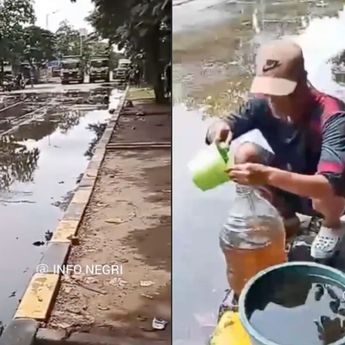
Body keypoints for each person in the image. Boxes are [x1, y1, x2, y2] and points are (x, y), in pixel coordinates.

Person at [206, 39, 345, 259]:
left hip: (327, 194)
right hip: (289, 180)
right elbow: (225, 122)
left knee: (327, 189)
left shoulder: (333, 116)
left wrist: (267, 174)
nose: (271, 102)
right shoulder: (263, 102)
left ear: (302, 84)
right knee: (246, 153)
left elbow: (329, 185)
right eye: (267, 93)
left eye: (279, 95)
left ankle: (332, 225)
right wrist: (219, 130)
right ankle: (287, 217)